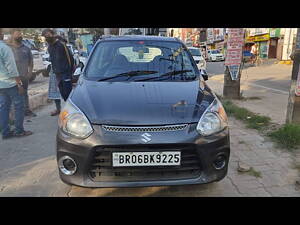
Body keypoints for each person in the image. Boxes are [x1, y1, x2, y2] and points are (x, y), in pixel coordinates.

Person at [0, 28, 33, 139]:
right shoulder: (5, 48)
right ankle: (19, 130)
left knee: (4, 107)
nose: (2, 34)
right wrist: (18, 84)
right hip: (11, 83)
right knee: (19, 106)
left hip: (1, 84)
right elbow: (12, 68)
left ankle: (5, 132)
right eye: (1, 33)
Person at [7, 28, 37, 117]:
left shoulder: (26, 49)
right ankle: (15, 115)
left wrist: (30, 73)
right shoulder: (8, 49)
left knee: (25, 94)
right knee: (13, 97)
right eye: (17, 34)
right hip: (12, 78)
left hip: (24, 76)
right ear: (12, 35)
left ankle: (27, 111)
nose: (20, 36)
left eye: (20, 34)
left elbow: (31, 62)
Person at [42, 29, 74, 107]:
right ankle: (67, 108)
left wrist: (70, 72)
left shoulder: (61, 45)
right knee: (63, 94)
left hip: (65, 73)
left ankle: (72, 110)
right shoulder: (49, 48)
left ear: (53, 34)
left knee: (68, 93)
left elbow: (70, 59)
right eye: (45, 36)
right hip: (58, 75)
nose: (47, 37)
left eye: (48, 34)